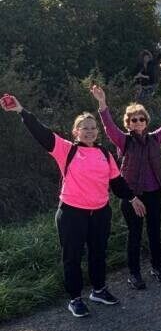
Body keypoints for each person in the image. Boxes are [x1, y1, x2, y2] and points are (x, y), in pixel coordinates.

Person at [2, 95, 146, 317]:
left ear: (97, 132)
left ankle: (98, 290)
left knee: (98, 253)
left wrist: (132, 197)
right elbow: (42, 133)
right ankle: (75, 299)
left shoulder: (104, 154)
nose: (89, 131)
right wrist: (21, 110)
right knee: (72, 256)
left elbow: (117, 183)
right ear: (75, 132)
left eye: (92, 128)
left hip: (99, 213)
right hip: (71, 213)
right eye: (84, 128)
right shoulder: (66, 150)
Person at [91, 85, 161, 289]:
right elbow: (109, 127)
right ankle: (134, 274)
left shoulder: (155, 138)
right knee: (135, 234)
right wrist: (102, 103)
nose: (138, 122)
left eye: (141, 119)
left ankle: (157, 267)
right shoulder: (124, 141)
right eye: (133, 120)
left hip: (154, 193)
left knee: (154, 231)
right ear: (128, 123)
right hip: (133, 196)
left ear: (146, 121)